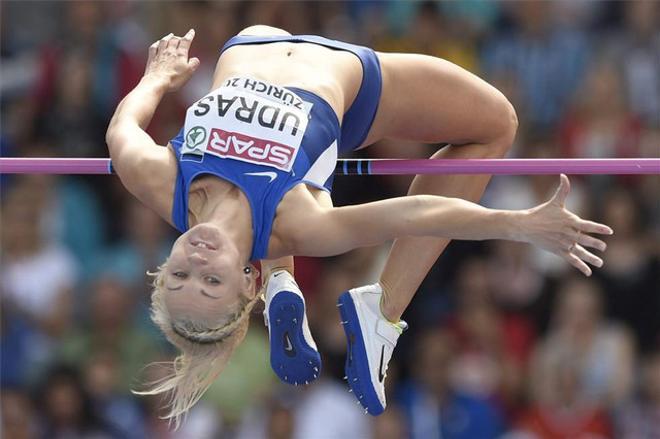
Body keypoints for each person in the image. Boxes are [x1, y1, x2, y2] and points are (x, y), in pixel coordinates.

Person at [105, 25, 613, 426]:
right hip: (347, 78)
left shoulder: (157, 180)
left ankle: (286, 280)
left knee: (278, 200)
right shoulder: (298, 222)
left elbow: (121, 132)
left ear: (164, 266)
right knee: (497, 124)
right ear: (243, 281)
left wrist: (156, 78)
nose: (195, 263)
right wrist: (517, 223)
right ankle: (380, 307)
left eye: (178, 276)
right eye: (211, 281)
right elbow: (412, 214)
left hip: (255, 39)